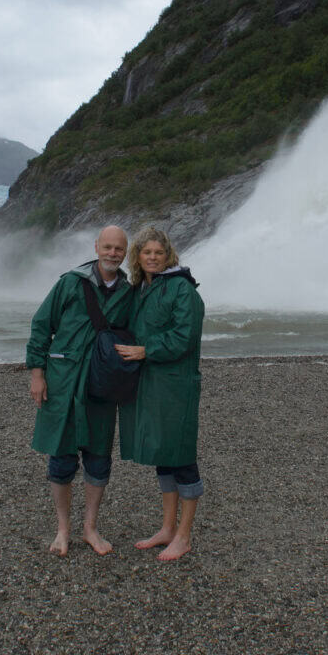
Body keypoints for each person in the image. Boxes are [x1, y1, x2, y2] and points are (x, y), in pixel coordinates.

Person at [26, 225, 133, 557]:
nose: (113, 253)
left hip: (102, 385)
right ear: (96, 246)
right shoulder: (70, 283)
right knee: (61, 458)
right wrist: (37, 374)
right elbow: (42, 325)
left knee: (98, 458)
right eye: (108, 247)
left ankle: (90, 528)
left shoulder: (130, 293)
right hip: (63, 382)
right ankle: (62, 530)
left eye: (119, 249)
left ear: (125, 253)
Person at [115, 226, 205, 561]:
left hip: (176, 385)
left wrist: (145, 350)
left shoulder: (182, 290)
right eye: (146, 252)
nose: (152, 257)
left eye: (158, 252)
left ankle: (184, 535)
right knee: (163, 455)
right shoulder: (140, 289)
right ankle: (167, 528)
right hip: (151, 383)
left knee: (181, 457)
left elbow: (185, 338)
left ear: (168, 256)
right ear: (137, 256)